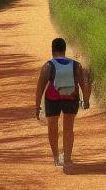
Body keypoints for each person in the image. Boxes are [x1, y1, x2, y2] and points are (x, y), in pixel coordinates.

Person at [35, 38, 92, 167]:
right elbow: (84, 84)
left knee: (52, 127)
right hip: (71, 98)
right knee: (68, 128)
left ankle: (56, 158)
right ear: (64, 49)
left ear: (52, 50)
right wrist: (86, 100)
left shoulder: (48, 65)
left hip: (52, 99)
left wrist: (37, 106)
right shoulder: (75, 65)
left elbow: (40, 88)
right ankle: (67, 159)